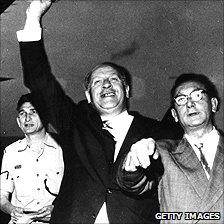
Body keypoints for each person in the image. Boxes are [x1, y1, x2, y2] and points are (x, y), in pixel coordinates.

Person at [16, 0, 181, 223]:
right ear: (88, 96)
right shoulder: (75, 123)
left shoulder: (156, 131)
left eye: (113, 80)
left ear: (127, 90)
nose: (106, 85)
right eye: (97, 82)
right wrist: (33, 15)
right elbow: (39, 81)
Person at [117, 73, 224, 223]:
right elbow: (133, 183)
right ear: (174, 114)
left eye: (197, 95)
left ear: (213, 104)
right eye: (181, 99)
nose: (189, 104)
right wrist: (132, 164)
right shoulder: (162, 151)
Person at [0, 93, 64, 224]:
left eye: (33, 112)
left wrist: (57, 209)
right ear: (18, 121)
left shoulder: (63, 149)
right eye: (23, 113)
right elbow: (2, 196)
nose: (27, 118)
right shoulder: (10, 152)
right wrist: (11, 209)